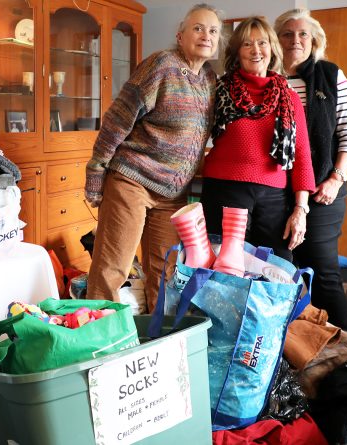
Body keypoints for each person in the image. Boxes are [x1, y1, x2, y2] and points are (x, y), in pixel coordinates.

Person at [84, 4, 221, 313]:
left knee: (165, 273)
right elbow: (117, 120)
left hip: (172, 195)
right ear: (180, 35)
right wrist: (96, 171)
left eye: (213, 31)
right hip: (132, 180)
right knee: (113, 267)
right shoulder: (162, 65)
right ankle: (96, 338)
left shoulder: (210, 80)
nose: (206, 35)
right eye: (198, 28)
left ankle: (156, 339)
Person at [200, 16, 315, 262]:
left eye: (262, 43)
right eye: (247, 44)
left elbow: (302, 155)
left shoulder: (290, 98)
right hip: (224, 191)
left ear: (272, 48)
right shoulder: (219, 90)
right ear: (236, 52)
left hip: (274, 199)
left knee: (276, 271)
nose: (255, 51)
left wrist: (301, 209)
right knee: (222, 273)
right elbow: (192, 135)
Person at [275, 8, 347, 330]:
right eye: (287, 33)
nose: (295, 40)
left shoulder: (330, 74)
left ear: (314, 41)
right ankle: (294, 344)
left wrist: (336, 178)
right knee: (281, 267)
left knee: (322, 268)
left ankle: (343, 345)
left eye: (303, 34)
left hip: (323, 188)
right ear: (276, 38)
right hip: (275, 189)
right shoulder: (267, 76)